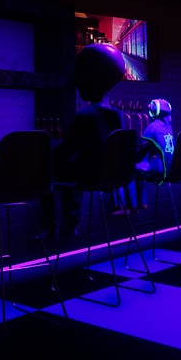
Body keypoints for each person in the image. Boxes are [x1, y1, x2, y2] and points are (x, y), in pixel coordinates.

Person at [40, 42, 126, 240]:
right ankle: (72, 223)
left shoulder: (85, 116)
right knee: (70, 172)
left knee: (51, 173)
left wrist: (46, 157)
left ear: (90, 80)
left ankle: (53, 227)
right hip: (111, 175)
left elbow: (68, 150)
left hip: (90, 176)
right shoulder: (117, 115)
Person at [118, 97, 173, 214]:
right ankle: (143, 204)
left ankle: (131, 207)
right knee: (141, 168)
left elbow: (142, 146)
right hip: (171, 169)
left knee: (129, 168)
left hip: (159, 168)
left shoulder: (153, 127)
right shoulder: (169, 127)